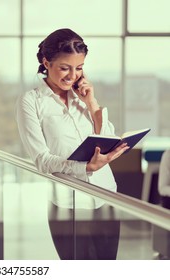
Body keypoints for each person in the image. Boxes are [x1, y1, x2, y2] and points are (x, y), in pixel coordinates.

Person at [15, 28, 129, 260]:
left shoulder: (82, 96)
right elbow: (42, 160)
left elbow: (107, 137)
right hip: (67, 203)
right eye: (65, 68)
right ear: (46, 63)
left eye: (79, 68)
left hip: (105, 196)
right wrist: (85, 167)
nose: (72, 76)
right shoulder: (31, 101)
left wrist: (92, 103)